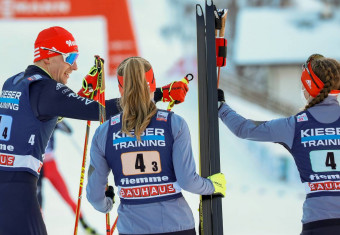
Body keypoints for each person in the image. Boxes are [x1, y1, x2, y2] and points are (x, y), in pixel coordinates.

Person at [0, 26, 189, 235]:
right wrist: (157, 93)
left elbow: (47, 114)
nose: (74, 65)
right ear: (48, 57)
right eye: (70, 57)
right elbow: (99, 111)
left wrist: (83, 94)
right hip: (17, 188)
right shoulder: (47, 89)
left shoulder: (15, 82)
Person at [86, 56, 227, 235]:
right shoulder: (174, 124)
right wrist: (213, 185)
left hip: (132, 228)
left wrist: (107, 204)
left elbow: (94, 196)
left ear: (121, 89)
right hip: (177, 226)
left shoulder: (104, 132)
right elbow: (188, 181)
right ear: (152, 84)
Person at [217, 54, 340, 235]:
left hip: (318, 224)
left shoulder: (295, 125)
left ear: (309, 87)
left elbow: (244, 129)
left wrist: (221, 106)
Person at [37, 121, 98, 234]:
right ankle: (38, 230)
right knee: (37, 200)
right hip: (36, 166)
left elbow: (69, 130)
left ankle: (85, 225)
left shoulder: (51, 118)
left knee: (66, 195)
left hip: (50, 165)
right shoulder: (34, 118)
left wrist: (58, 121)